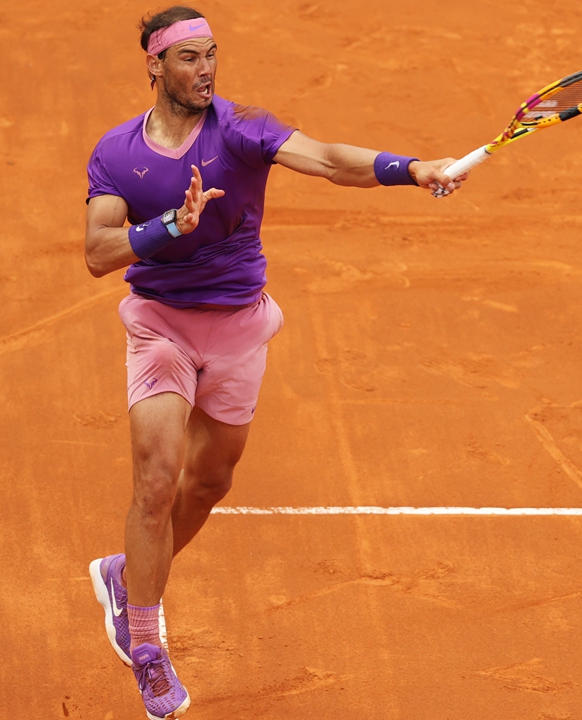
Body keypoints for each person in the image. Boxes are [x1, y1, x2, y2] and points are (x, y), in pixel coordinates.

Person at [83, 6, 464, 718]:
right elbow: (99, 254)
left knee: (210, 483)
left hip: (239, 327)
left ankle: (126, 576)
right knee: (158, 476)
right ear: (154, 66)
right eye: (190, 58)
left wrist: (411, 169)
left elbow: (327, 159)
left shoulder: (245, 129)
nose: (206, 71)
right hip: (161, 327)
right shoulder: (116, 153)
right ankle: (147, 646)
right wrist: (170, 227)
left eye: (212, 55)